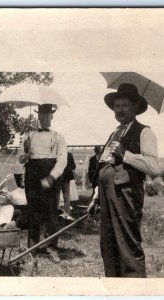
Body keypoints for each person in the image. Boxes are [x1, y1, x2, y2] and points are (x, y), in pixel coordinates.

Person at [88, 83, 159, 277]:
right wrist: (96, 197)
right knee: (108, 246)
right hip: (106, 194)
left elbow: (155, 167)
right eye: (117, 106)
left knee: (127, 245)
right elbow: (105, 165)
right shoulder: (115, 133)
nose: (119, 110)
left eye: (124, 105)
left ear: (135, 107)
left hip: (126, 197)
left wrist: (125, 154)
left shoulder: (145, 132)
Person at [19, 104, 67, 262]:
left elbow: (62, 161)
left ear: (52, 116)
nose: (44, 117)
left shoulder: (58, 136)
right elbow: (21, 160)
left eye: (47, 114)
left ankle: (51, 247)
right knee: (33, 212)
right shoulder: (28, 136)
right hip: (32, 176)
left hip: (51, 176)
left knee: (51, 213)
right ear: (38, 116)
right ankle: (33, 247)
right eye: (41, 114)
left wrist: (51, 177)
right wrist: (26, 153)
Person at [59, 152, 76, 220]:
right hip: (66, 177)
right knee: (66, 194)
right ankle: (67, 212)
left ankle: (55, 212)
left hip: (58, 176)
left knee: (56, 194)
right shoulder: (69, 154)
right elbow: (74, 166)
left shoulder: (57, 153)